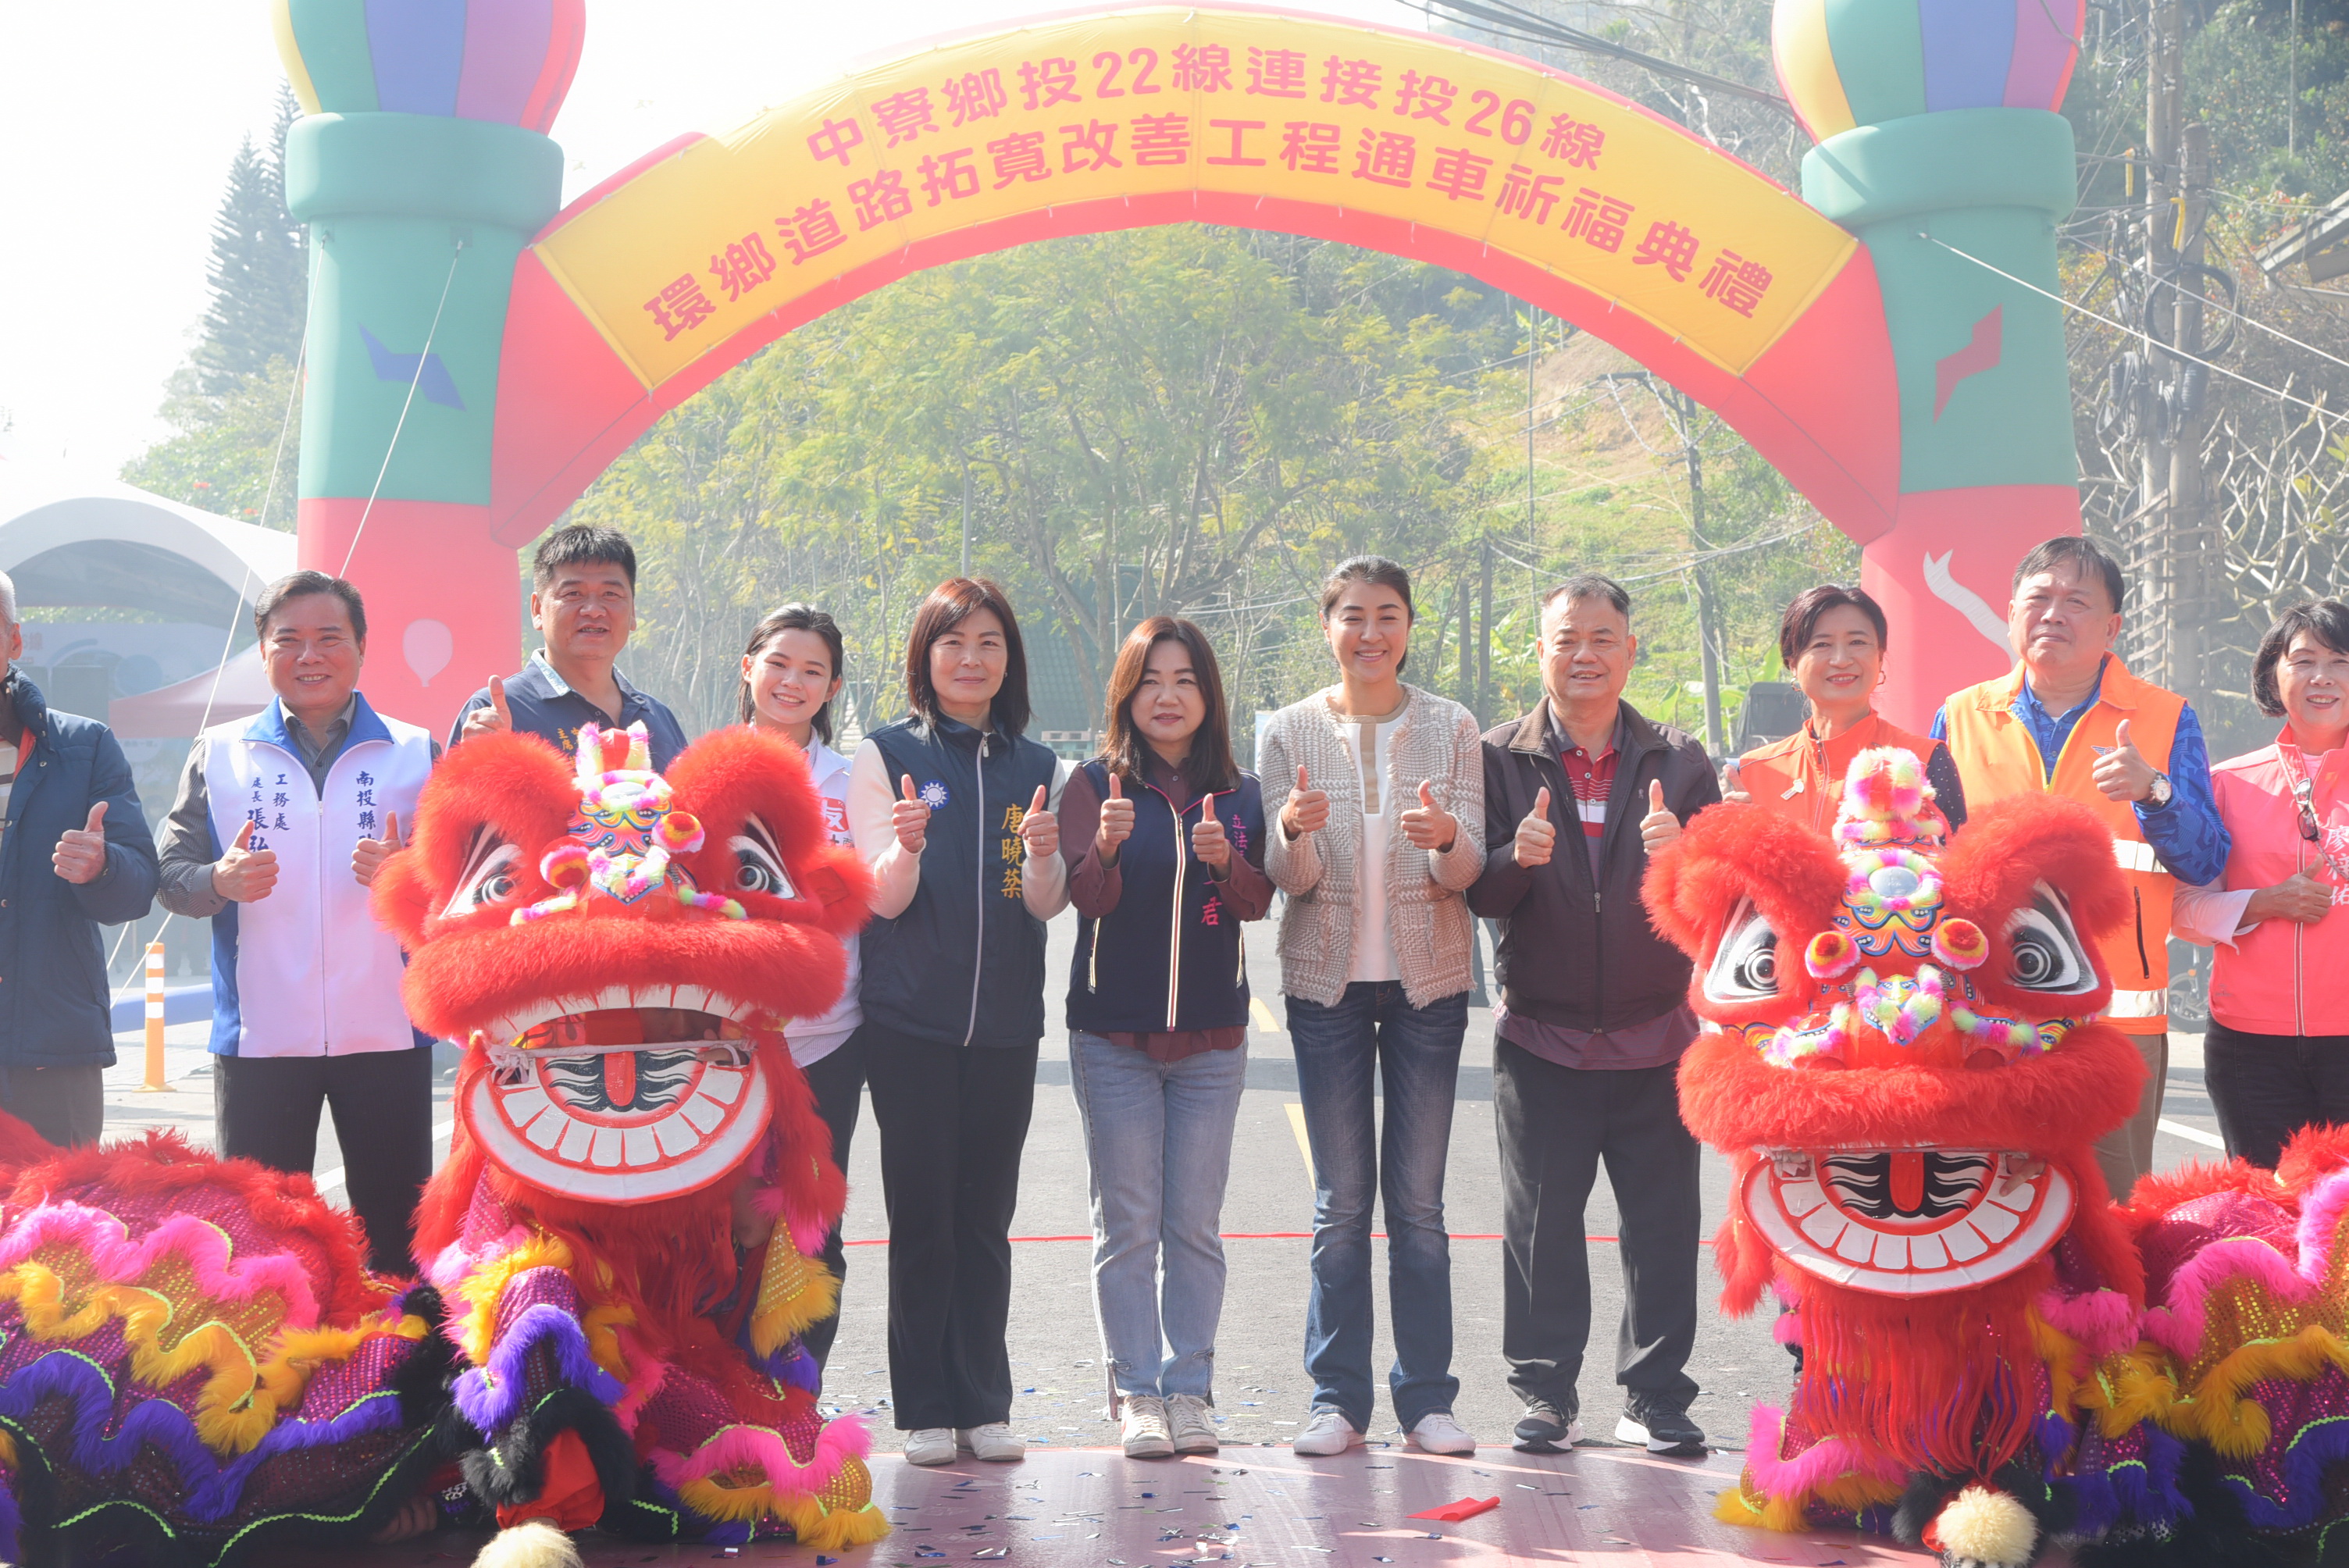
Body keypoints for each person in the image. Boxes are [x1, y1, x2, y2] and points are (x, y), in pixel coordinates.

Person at [1468, 575, 1718, 1458]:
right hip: (1542, 1034)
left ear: (1629, 651)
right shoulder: (1498, 757)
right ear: (1539, 649)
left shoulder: (1680, 761)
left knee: (1659, 1226)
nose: (1584, 654)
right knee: (1540, 1227)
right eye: (1566, 637)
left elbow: (1717, 900)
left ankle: (1653, 1395)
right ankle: (1543, 1392)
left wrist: (1685, 856)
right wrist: (1513, 856)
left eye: (1602, 637)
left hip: (1657, 1034)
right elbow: (1478, 891)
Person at [1259, 556, 1485, 1459]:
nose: (1370, 633)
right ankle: (1335, 1400)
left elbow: (1463, 874)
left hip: (1428, 980)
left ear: (1407, 625)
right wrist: (1291, 830)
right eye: (1352, 616)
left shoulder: (1452, 725)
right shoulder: (1286, 730)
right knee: (1339, 1201)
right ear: (1327, 627)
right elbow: (1290, 883)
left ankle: (1426, 1399)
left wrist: (1445, 841)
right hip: (1325, 986)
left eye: (1387, 615)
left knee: (1419, 1205)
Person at [845, 579, 1068, 1466]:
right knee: (924, 1218)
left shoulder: (1038, 767)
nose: (970, 658)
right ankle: (925, 1407)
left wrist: (1047, 858)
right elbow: (880, 897)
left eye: (987, 643)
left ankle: (985, 1400)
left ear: (1007, 660)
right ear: (924, 656)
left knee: (986, 1217)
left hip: (1007, 1028)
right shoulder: (886, 752)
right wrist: (904, 843)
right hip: (909, 1028)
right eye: (952, 642)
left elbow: (1041, 904)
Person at [1931, 536, 2227, 1201]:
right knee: (1988, 1215)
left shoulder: (2165, 718)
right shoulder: (1958, 718)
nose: (2053, 614)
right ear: (2010, 614)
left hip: (2115, 1021)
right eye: (2038, 598)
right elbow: (1929, 858)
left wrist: (2155, 794)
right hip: (1986, 1015)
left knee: (2111, 1218)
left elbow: (2207, 858)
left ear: (2113, 626)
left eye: (2076, 601)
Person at [158, 572, 437, 1274]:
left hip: (386, 1032)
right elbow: (169, 872)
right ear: (262, 651)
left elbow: (465, 884)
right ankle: (270, 1378)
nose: (309, 655)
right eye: (289, 640)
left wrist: (409, 877)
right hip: (260, 1039)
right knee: (260, 1240)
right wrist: (216, 882)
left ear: (362, 647)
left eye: (328, 639)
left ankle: (399, 1371)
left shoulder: (414, 752)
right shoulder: (219, 753)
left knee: (396, 1236)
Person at [1057, 618, 1272, 1459]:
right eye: (1151, 679)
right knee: (1129, 1222)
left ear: (1207, 695)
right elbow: (1086, 900)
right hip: (1113, 1035)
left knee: (1193, 1224)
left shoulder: (1242, 790)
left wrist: (1226, 861)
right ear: (1127, 694)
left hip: (1213, 1041)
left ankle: (1190, 1390)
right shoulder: (1092, 784)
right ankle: (1136, 1392)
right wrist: (1105, 847)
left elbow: (1256, 903)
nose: (1168, 695)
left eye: (1184, 679)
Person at [2173, 600, 2349, 1167]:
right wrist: (2266, 903)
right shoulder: (2226, 785)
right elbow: (2183, 910)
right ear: (2274, 673)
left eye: (2341, 660)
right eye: (2304, 660)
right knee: (2267, 1215)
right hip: (2250, 1047)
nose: (2322, 676)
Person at [737, 604, 863, 1373]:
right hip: (723, 1043)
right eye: (778, 662)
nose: (792, 681)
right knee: (725, 1222)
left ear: (832, 687)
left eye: (811, 670)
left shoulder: (856, 781)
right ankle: (720, 1396)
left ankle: (797, 1398)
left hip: (829, 1040)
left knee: (814, 1224)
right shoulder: (702, 771)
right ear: (747, 666)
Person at [0, 570, 158, 1146]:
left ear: (14, 641)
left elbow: (140, 886)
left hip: (54, 1049)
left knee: (63, 1229)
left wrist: (103, 867)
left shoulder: (84, 746)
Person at [1728, 585, 1966, 832]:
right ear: (1793, 664)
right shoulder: (1755, 771)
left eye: (1857, 642)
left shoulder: (1924, 760)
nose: (1841, 660)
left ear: (1879, 657)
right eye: (1822, 645)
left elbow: (1954, 864)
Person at [448, 524, 690, 768]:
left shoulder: (658, 717)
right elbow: (456, 805)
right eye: (574, 594)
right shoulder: (497, 714)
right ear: (537, 610)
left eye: (610, 594)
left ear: (633, 612)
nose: (594, 610)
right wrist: (477, 765)